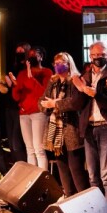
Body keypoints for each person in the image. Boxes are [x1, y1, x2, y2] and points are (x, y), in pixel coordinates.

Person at [72, 41, 107, 213]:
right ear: (89, 56)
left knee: (106, 177)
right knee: (93, 177)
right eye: (94, 55)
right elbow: (78, 105)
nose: (97, 58)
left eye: (101, 55)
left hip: (106, 127)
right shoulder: (85, 76)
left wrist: (96, 95)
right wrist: (79, 89)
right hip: (89, 127)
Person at [39, 51, 89, 197]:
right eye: (56, 63)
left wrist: (54, 103)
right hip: (56, 132)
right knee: (62, 166)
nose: (58, 66)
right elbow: (41, 101)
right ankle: (68, 195)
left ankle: (83, 198)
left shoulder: (75, 79)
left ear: (69, 64)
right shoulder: (53, 81)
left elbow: (75, 103)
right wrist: (46, 105)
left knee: (76, 168)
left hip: (72, 128)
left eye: (62, 63)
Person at [11, 46, 52, 172]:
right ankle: (33, 179)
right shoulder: (22, 73)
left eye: (35, 54)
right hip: (24, 113)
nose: (32, 57)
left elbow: (44, 92)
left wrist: (31, 78)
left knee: (38, 149)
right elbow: (16, 96)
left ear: (41, 57)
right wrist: (16, 86)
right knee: (29, 149)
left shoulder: (47, 72)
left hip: (38, 112)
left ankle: (42, 179)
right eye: (30, 55)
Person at [0, 42, 29, 165]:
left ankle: (23, 167)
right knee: (10, 142)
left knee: (17, 142)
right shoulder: (13, 66)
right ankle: (16, 166)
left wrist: (14, 83)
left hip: (19, 108)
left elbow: (24, 88)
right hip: (9, 106)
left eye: (21, 52)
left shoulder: (27, 68)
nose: (19, 54)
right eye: (17, 51)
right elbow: (10, 88)